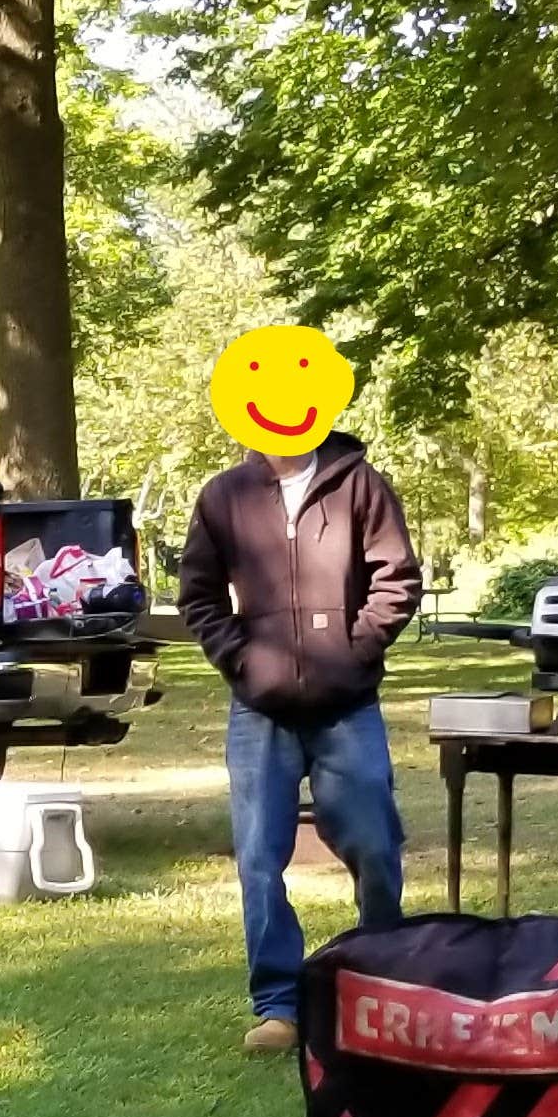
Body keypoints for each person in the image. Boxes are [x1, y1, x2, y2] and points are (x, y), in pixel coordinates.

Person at [177, 342, 421, 1055]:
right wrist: (241, 661)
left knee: (374, 843)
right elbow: (196, 595)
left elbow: (396, 577)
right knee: (259, 856)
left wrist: (355, 649)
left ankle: (381, 987)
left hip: (347, 707)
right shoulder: (223, 496)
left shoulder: (359, 484)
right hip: (261, 711)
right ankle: (278, 1005)